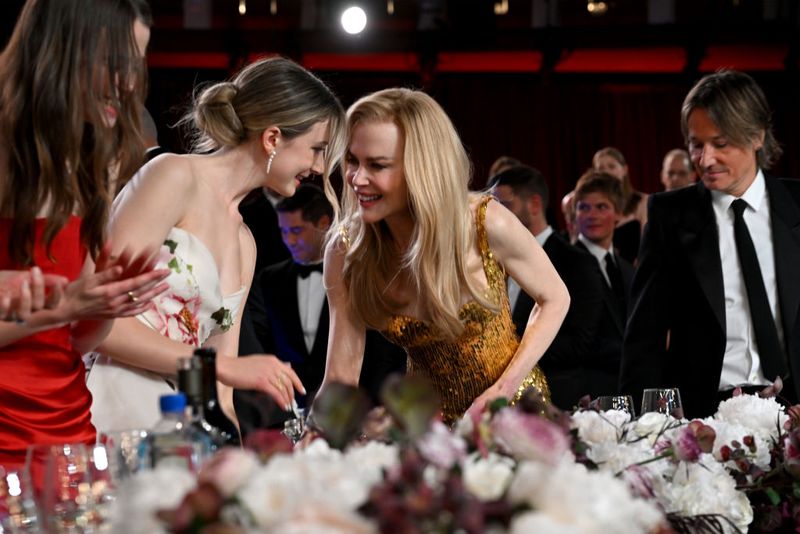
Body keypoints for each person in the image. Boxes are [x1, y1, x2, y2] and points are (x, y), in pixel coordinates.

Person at [87, 56, 346, 433]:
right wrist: (221, 367)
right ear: (273, 138)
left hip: (178, 430)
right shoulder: (174, 175)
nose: (320, 169)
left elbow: (223, 392)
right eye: (317, 149)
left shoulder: (246, 243)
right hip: (111, 404)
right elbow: (99, 323)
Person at [318, 88, 570, 424]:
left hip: (513, 416)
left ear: (422, 167)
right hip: (424, 427)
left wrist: (504, 389)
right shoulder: (346, 248)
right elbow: (340, 376)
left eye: (376, 165)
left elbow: (555, 298)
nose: (356, 179)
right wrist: (318, 437)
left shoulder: (485, 222)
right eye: (352, 160)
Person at [0, 0, 170, 471]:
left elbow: (77, 340)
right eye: (117, 65)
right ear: (64, 50)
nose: (131, 85)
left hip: (68, 431)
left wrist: (103, 304)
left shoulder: (98, 156)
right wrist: (62, 308)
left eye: (137, 66)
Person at [620, 70, 800, 418]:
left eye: (720, 144)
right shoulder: (669, 215)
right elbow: (645, 336)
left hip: (793, 412)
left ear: (757, 136)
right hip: (702, 417)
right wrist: (636, 428)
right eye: (695, 144)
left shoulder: (797, 206)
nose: (704, 160)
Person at [235, 184, 406, 435]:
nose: (289, 241)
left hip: (361, 407)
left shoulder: (357, 270)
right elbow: (258, 339)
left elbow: (383, 348)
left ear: (324, 223)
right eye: (283, 232)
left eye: (296, 231)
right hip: (289, 411)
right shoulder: (269, 278)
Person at [489, 165, 603, 410]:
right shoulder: (488, 257)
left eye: (504, 205)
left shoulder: (575, 262)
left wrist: (505, 347)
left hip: (555, 399)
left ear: (535, 204)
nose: (493, 215)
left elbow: (579, 344)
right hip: (498, 402)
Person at [573, 172, 634, 399]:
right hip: (584, 394)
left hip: (626, 391)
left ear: (618, 213)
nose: (592, 215)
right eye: (583, 207)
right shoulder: (564, 265)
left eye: (601, 207)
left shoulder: (628, 270)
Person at [592, 147, 648, 264]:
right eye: (601, 168)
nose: (606, 172)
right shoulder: (592, 207)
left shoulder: (642, 202)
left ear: (624, 170)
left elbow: (648, 246)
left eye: (611, 167)